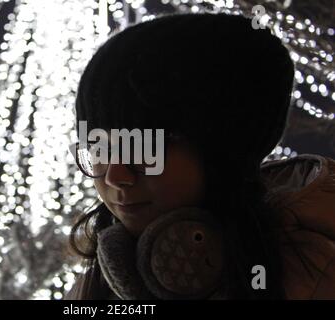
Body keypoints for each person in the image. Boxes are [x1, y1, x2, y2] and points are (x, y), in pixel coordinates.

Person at [65, 13, 335, 299]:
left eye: (143, 147)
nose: (115, 175)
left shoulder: (317, 275)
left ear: (223, 150)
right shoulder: (98, 280)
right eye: (100, 149)